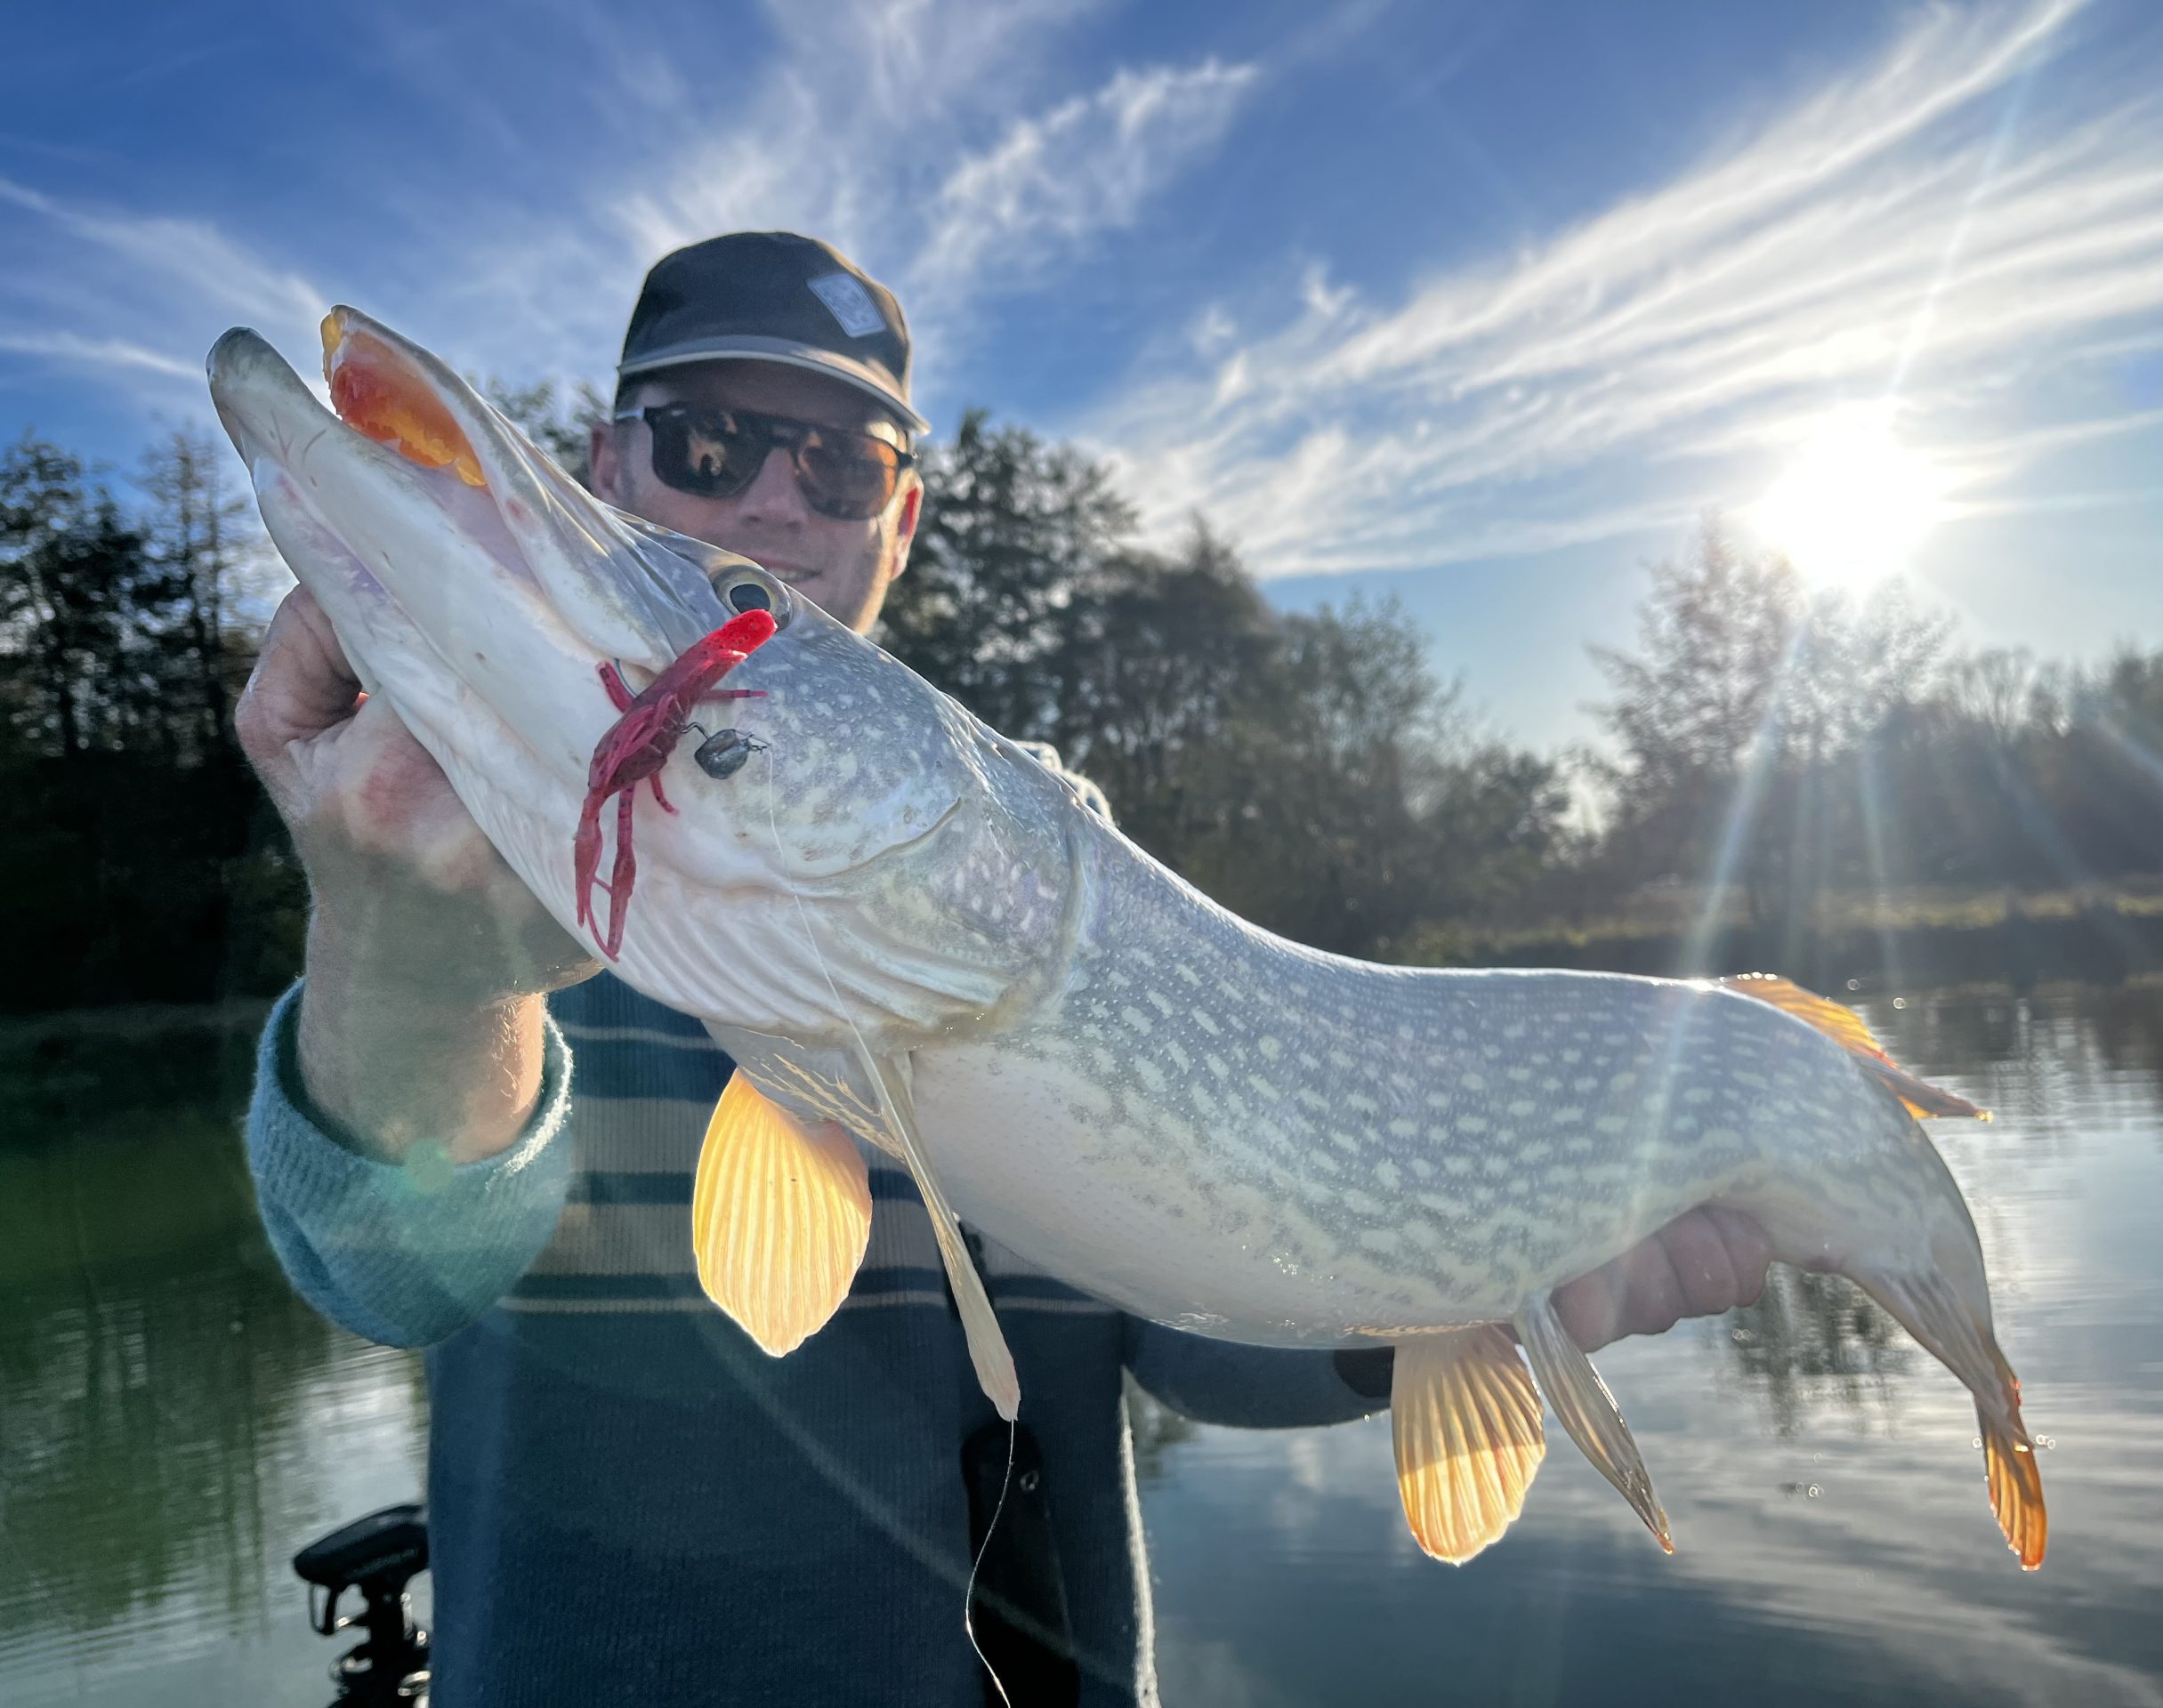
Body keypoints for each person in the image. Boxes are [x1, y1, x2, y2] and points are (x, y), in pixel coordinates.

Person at [238, 231, 1776, 1707]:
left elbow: (1188, 1332)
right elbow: (390, 1271)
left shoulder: (1053, 857)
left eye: (841, 463)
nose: (775, 498)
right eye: (709, 442)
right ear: (609, 468)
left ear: (898, 523)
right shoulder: (454, 825)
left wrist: (1473, 1289)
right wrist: (432, 982)